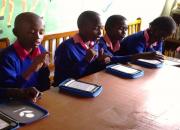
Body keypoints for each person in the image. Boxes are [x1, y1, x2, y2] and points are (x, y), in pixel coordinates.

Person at [0, 12, 50, 102]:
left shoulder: (41, 50)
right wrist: (32, 68)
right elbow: (9, 91)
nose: (38, 36)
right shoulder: (7, 57)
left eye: (41, 32)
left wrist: (42, 94)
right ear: (16, 33)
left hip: (36, 100)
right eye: (32, 32)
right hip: (12, 104)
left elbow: (44, 81)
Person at [54, 11, 108, 86]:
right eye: (96, 28)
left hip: (91, 84)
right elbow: (62, 80)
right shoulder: (65, 48)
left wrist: (101, 62)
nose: (100, 33)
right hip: (71, 91)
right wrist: (86, 61)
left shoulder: (95, 43)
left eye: (101, 28)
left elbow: (92, 72)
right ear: (82, 27)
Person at [98, 15, 164, 64]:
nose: (124, 32)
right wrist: (138, 56)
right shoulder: (100, 44)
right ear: (108, 28)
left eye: (126, 29)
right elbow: (111, 59)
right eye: (121, 29)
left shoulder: (119, 42)